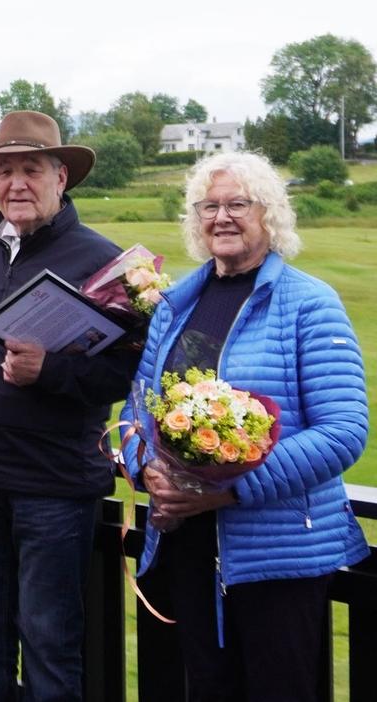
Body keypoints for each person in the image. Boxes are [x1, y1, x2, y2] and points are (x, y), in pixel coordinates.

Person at [124, 151, 367, 701]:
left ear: (270, 214)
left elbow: (343, 429)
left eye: (238, 203)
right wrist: (150, 473)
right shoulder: (176, 306)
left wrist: (228, 493)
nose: (222, 217)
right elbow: (138, 409)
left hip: (277, 558)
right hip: (188, 548)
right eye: (209, 206)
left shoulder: (309, 304)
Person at [0, 110, 140, 701]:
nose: (16, 184)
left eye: (31, 169)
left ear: (61, 177)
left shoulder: (105, 263)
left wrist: (48, 370)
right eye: (4, 171)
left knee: (49, 640)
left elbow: (128, 371)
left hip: (53, 483)